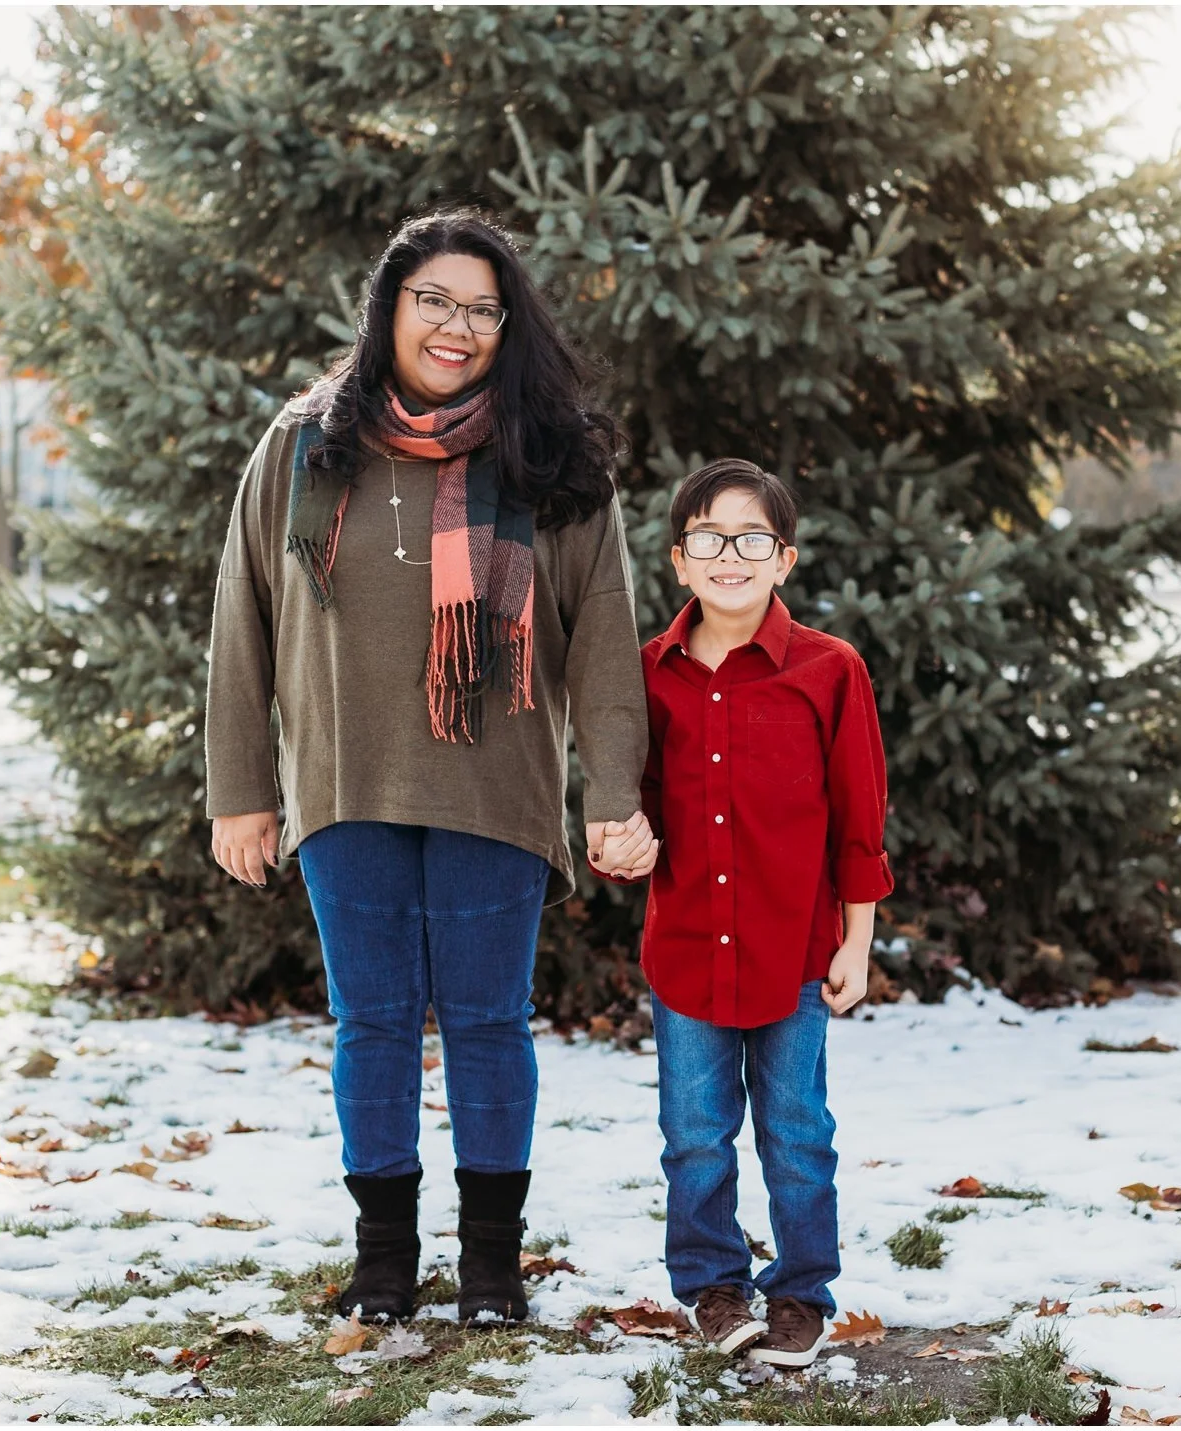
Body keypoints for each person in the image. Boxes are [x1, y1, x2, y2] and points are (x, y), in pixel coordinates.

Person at [204, 209, 660, 1327]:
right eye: (434, 301)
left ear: (509, 327)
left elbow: (605, 638)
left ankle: (493, 1266)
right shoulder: (304, 445)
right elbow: (242, 613)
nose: (457, 327)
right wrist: (241, 790)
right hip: (343, 782)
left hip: (493, 790)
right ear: (390, 308)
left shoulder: (551, 461)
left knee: (488, 1022)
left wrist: (612, 794)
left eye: (482, 309)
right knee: (370, 1021)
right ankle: (384, 1261)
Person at [602, 458, 892, 1367]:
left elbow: (859, 819)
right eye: (709, 538)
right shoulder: (648, 675)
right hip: (688, 950)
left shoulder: (830, 671)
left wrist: (856, 940)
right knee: (694, 1134)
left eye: (752, 538)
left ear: (785, 558)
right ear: (680, 560)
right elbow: (634, 807)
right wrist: (621, 843)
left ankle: (801, 1291)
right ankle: (714, 1285)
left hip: (794, 952)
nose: (730, 555)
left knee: (797, 1130)